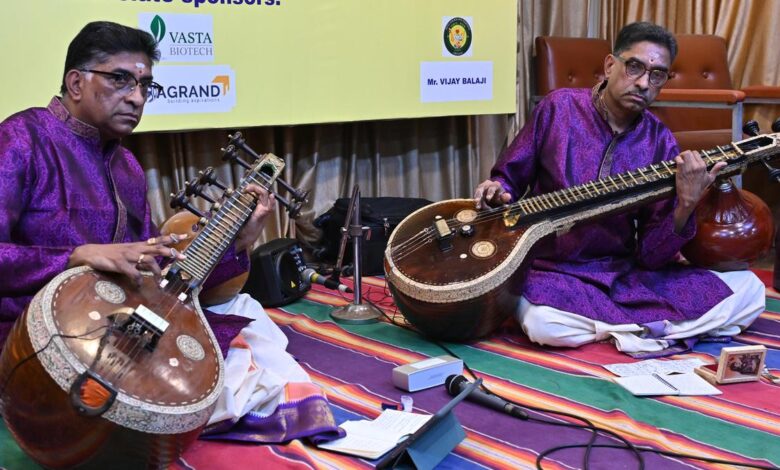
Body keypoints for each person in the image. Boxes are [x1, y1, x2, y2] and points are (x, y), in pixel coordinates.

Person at [0, 21, 338, 443]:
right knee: (225, 378)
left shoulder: (127, 169)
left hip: (122, 323)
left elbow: (164, 276)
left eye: (145, 85)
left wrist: (241, 240)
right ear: (75, 82)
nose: (137, 97)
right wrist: (75, 256)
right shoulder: (22, 139)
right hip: (35, 335)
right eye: (120, 79)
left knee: (248, 316)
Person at [474, 22, 764, 354]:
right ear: (610, 65)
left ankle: (621, 332)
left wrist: (686, 204)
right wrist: (495, 188)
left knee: (751, 290)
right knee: (544, 323)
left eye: (657, 75)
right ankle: (645, 332)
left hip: (622, 274)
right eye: (635, 67)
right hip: (553, 271)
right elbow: (508, 177)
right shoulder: (558, 108)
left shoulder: (660, 141)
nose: (643, 83)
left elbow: (653, 257)